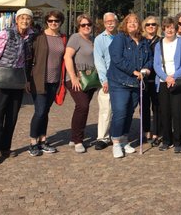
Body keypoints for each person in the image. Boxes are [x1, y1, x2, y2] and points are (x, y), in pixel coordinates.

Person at [0, 8, 35, 165]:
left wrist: (27, 79)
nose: (25, 21)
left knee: (12, 115)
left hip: (17, 79)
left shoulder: (30, 36)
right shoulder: (5, 34)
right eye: (22, 18)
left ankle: (5, 147)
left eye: (28, 18)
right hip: (1, 78)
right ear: (16, 20)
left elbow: (27, 60)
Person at [107, 13, 152, 158]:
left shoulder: (144, 41)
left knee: (128, 112)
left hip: (135, 83)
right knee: (120, 112)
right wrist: (134, 71)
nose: (132, 24)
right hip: (119, 82)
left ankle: (124, 140)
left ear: (139, 25)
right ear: (125, 25)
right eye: (129, 22)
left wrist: (146, 69)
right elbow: (117, 59)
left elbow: (149, 58)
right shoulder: (120, 38)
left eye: (135, 22)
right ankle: (115, 142)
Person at [28, 10, 66, 156]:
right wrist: (27, 78)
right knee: (40, 111)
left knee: (45, 111)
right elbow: (29, 59)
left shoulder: (63, 38)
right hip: (39, 81)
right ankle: (33, 142)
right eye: (50, 21)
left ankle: (43, 140)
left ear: (60, 22)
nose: (53, 23)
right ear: (46, 22)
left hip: (55, 81)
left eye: (56, 21)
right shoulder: (38, 37)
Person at [154, 17, 181, 153]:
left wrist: (173, 77)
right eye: (167, 27)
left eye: (172, 27)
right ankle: (166, 140)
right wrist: (166, 77)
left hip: (177, 82)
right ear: (163, 29)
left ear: (176, 29)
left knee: (178, 113)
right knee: (165, 112)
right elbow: (156, 65)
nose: (169, 30)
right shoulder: (159, 45)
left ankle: (177, 141)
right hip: (163, 82)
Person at [64, 14, 97, 154]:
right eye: (83, 25)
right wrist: (73, 77)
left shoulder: (93, 40)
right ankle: (78, 140)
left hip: (90, 79)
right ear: (79, 26)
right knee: (82, 106)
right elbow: (67, 56)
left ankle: (74, 136)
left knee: (81, 108)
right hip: (77, 79)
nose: (86, 27)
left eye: (89, 24)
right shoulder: (75, 38)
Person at [93, 12, 118, 151]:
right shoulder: (99, 39)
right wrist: (104, 80)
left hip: (119, 78)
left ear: (116, 22)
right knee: (105, 109)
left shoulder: (121, 36)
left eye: (112, 21)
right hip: (107, 79)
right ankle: (102, 137)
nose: (110, 23)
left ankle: (116, 135)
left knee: (119, 109)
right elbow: (99, 61)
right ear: (104, 23)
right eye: (107, 21)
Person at [142, 15, 162, 145]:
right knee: (143, 107)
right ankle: (146, 131)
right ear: (144, 27)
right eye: (148, 24)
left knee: (157, 107)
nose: (151, 26)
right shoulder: (141, 40)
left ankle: (156, 132)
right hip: (143, 78)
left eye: (153, 24)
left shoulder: (161, 40)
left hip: (157, 77)